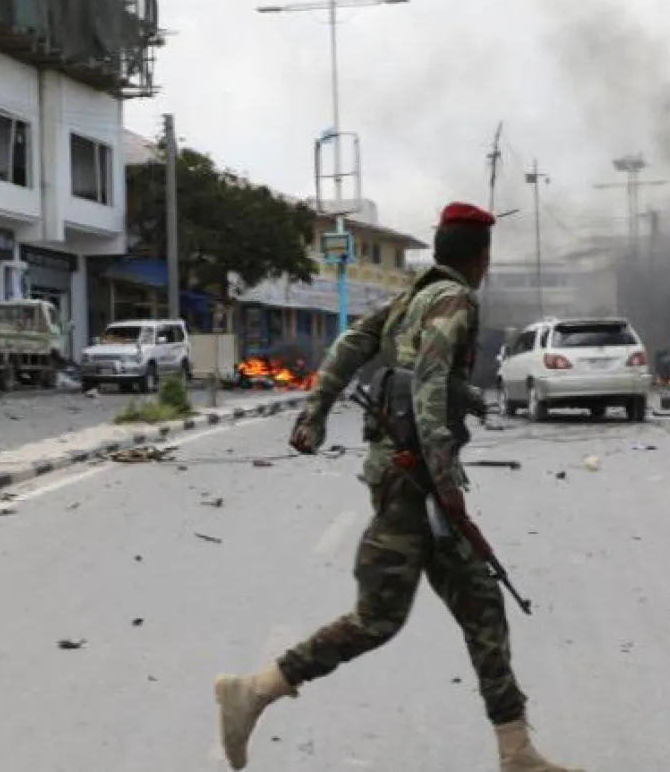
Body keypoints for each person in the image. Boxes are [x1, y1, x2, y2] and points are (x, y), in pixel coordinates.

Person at [213, 202, 582, 771]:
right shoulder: (454, 300)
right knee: (379, 618)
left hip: (407, 473)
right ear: (481, 259)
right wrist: (443, 475)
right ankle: (255, 691)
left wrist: (315, 411)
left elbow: (351, 343)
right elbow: (429, 379)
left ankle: (516, 752)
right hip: (414, 479)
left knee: (482, 604)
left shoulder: (413, 297)